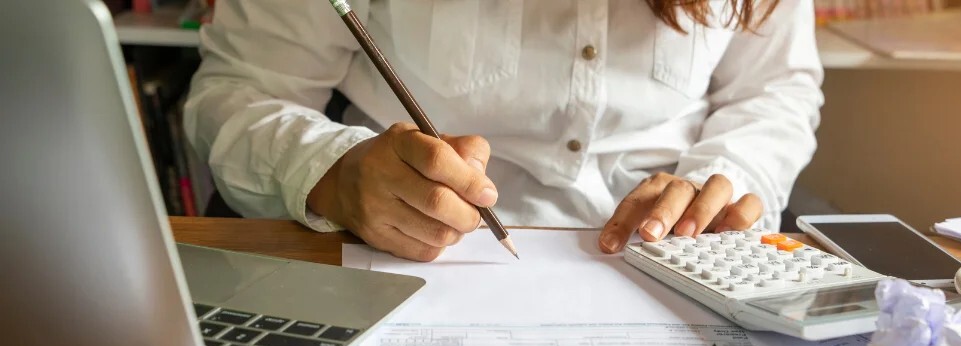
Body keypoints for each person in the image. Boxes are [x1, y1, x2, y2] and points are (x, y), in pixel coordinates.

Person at [185, 0, 823, 262]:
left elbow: (774, 90)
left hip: (670, 262)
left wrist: (721, 182)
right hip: (398, 260)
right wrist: (330, 171)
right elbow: (240, 90)